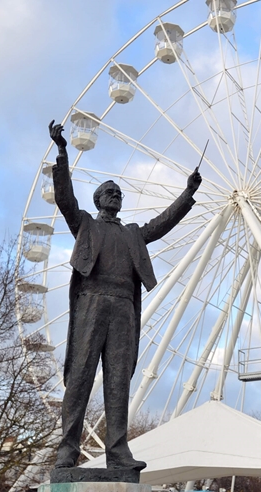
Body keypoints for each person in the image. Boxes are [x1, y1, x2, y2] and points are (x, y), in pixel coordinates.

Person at [48, 120, 202, 470]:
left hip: (123, 310)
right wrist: (61, 152)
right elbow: (64, 199)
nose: (116, 195)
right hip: (91, 302)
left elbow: (162, 223)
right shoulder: (85, 224)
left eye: (119, 192)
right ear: (98, 199)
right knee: (81, 377)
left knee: (119, 381)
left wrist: (187, 192)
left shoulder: (134, 234)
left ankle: (118, 452)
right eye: (110, 191)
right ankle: (68, 449)